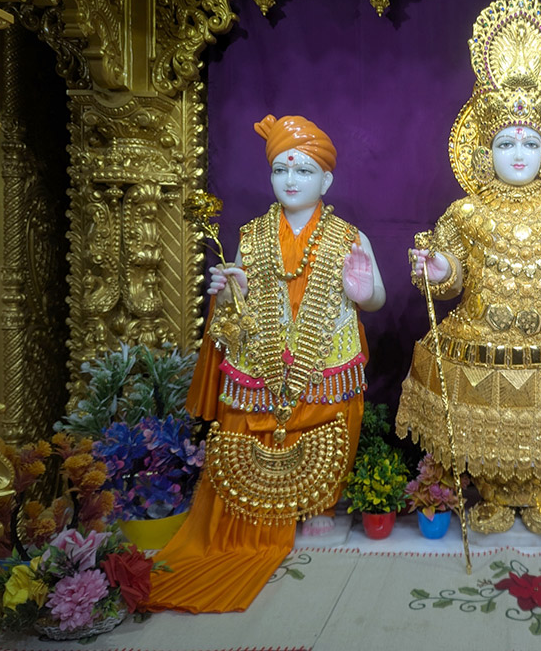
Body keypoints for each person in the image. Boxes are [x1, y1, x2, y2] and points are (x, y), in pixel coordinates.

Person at [396, 0, 541, 535]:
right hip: (479, 340)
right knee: (480, 416)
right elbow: (450, 274)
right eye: (505, 141)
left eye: (530, 141)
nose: (518, 152)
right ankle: (495, 497)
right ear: (484, 152)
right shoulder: (466, 211)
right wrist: (435, 271)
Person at [146, 115, 385, 613]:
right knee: (254, 420)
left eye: (303, 171)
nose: (291, 181)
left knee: (330, 418)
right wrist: (232, 293)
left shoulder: (351, 237)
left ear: (327, 180)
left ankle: (319, 504)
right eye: (280, 171)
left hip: (326, 355)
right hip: (266, 357)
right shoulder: (251, 236)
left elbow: (376, 298)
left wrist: (365, 293)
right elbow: (238, 304)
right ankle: (261, 508)